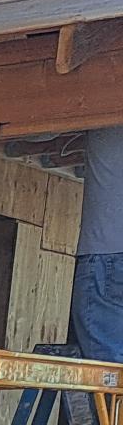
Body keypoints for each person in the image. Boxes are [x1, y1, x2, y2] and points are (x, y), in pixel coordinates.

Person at [68, 125, 123, 365]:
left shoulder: (102, 111)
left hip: (108, 254)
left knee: (107, 368)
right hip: (107, 254)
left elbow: (39, 125)